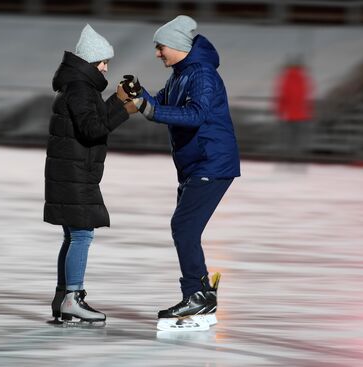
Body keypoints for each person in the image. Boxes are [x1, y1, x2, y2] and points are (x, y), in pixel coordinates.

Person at [120, 15, 240, 330]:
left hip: (211, 163)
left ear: (176, 46)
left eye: (160, 47)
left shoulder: (201, 74)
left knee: (183, 228)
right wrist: (138, 94)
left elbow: (195, 114)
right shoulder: (181, 74)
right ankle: (200, 292)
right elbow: (158, 103)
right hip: (196, 165)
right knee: (184, 229)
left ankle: (198, 296)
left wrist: (151, 109)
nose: (157, 53)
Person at [44, 24, 136, 324]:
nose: (106, 68)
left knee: (73, 235)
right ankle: (72, 297)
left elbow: (91, 122)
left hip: (71, 172)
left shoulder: (75, 87)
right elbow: (93, 128)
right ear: (90, 62)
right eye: (103, 62)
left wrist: (120, 101)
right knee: (82, 235)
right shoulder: (82, 89)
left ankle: (63, 298)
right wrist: (124, 106)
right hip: (76, 174)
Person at [274, 57, 313, 157]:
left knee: (287, 139)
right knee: (299, 139)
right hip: (302, 115)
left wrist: (279, 112)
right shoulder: (304, 78)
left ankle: (288, 156)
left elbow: (282, 97)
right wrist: (309, 112)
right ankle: (298, 156)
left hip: (288, 115)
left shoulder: (285, 79)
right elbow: (308, 97)